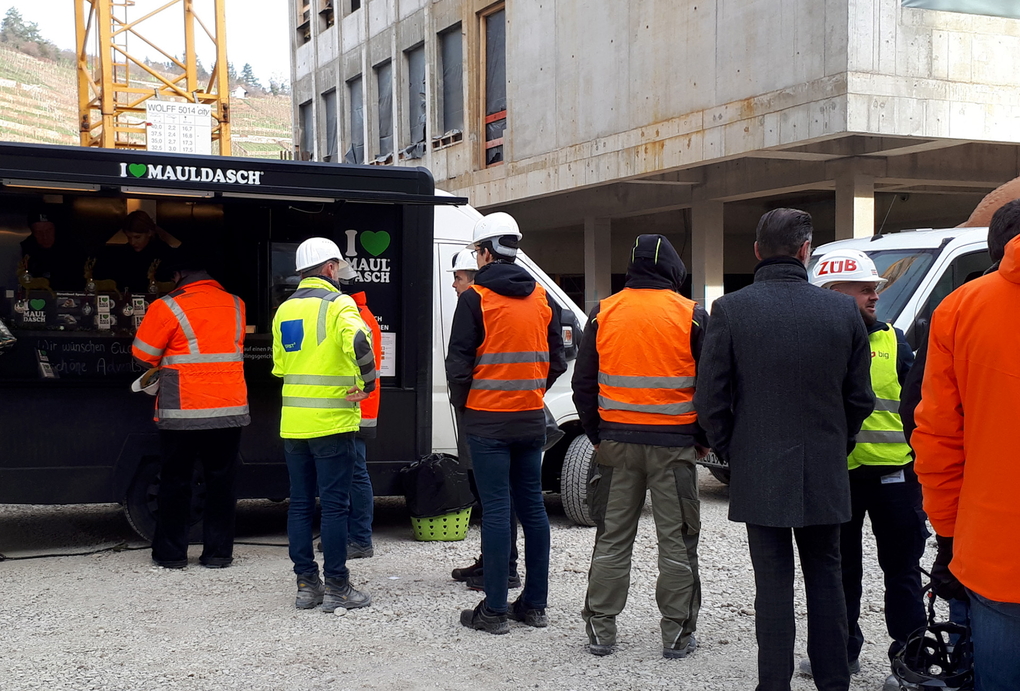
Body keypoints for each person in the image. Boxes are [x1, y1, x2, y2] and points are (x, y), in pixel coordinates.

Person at [694, 208, 874, 691]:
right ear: (804, 251)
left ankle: (772, 683)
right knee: (827, 578)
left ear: (757, 251)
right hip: (825, 464)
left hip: (759, 467)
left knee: (771, 587)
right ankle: (834, 681)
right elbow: (860, 398)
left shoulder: (731, 310)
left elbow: (710, 399)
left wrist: (735, 450)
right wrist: (837, 441)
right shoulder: (842, 311)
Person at [571, 234, 708, 659]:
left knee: (612, 539)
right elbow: (711, 386)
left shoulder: (603, 312)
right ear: (672, 269)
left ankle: (601, 631)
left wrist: (597, 434)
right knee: (677, 542)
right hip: (675, 449)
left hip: (616, 445)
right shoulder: (692, 316)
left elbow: (583, 384)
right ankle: (676, 635)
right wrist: (702, 439)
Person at [912, 201, 1020, 691]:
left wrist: (950, 535)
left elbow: (938, 440)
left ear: (995, 249)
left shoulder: (959, 310)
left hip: (998, 552)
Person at [807, 250, 925, 687]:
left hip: (894, 477)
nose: (874, 296)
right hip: (840, 477)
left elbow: (918, 410)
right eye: (863, 289)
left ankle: (911, 656)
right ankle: (842, 650)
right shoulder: (815, 344)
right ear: (832, 294)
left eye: (874, 287)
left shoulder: (895, 341)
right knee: (841, 571)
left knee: (903, 570)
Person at [446, 213, 566, 634]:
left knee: (497, 509)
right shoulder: (541, 299)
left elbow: (458, 364)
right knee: (532, 508)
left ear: (483, 252)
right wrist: (531, 390)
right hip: (530, 418)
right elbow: (557, 360)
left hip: (488, 421)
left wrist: (467, 406)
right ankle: (534, 605)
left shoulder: (475, 298)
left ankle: (494, 610)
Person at [271, 237, 376, 612]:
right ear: (330, 268)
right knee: (334, 506)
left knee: (300, 504)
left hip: (294, 423)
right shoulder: (339, 304)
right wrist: (368, 382)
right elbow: (360, 341)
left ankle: (306, 585)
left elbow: (281, 366)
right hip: (332, 420)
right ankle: (337, 587)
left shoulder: (284, 310)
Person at [131, 249, 250, 569]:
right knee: (222, 482)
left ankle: (171, 555)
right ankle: (218, 554)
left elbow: (142, 355)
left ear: (177, 276)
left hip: (183, 409)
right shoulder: (237, 304)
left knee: (175, 481)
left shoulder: (166, 306)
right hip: (228, 407)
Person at [446, 248, 523, 592]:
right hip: (498, 412)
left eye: (458, 277)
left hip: (486, 414)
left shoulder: (480, 304)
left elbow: (460, 363)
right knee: (489, 492)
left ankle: (503, 568)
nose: (453, 284)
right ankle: (494, 561)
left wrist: (465, 404)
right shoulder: (483, 306)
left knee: (496, 496)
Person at [345, 289, 382, 559]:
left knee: (356, 474)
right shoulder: (361, 314)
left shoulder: (354, 317)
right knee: (353, 474)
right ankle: (353, 536)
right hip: (359, 407)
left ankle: (359, 538)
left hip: (356, 408)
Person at [110, 210, 177, 294]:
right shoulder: (123, 254)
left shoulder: (165, 254)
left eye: (137, 237)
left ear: (149, 232)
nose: (132, 242)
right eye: (129, 237)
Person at [20, 209, 81, 291]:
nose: (44, 236)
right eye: (38, 232)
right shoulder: (25, 250)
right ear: (32, 232)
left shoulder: (73, 249)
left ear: (55, 229)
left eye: (48, 230)